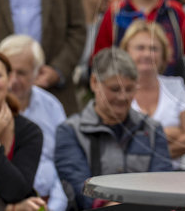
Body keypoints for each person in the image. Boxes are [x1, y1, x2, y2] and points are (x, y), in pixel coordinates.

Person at [55, 48, 173, 209]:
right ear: (94, 83)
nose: (123, 97)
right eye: (115, 89)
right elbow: (80, 189)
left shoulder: (152, 129)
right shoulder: (70, 131)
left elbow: (163, 185)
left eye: (130, 89)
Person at [0, 35, 68, 211]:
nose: (13, 81)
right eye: (8, 72)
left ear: (37, 73)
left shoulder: (51, 107)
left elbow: (63, 163)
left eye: (21, 73)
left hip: (48, 202)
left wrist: (55, 207)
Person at [120, 19, 185, 169]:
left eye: (153, 49)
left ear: (164, 54)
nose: (147, 54)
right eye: (140, 48)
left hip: (175, 176)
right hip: (130, 177)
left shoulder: (176, 86)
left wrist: (145, 155)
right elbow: (118, 144)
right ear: (126, 52)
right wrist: (170, 134)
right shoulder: (118, 90)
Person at [0, 45, 44, 210]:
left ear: (9, 78)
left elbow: (17, 192)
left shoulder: (29, 132)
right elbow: (16, 202)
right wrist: (8, 209)